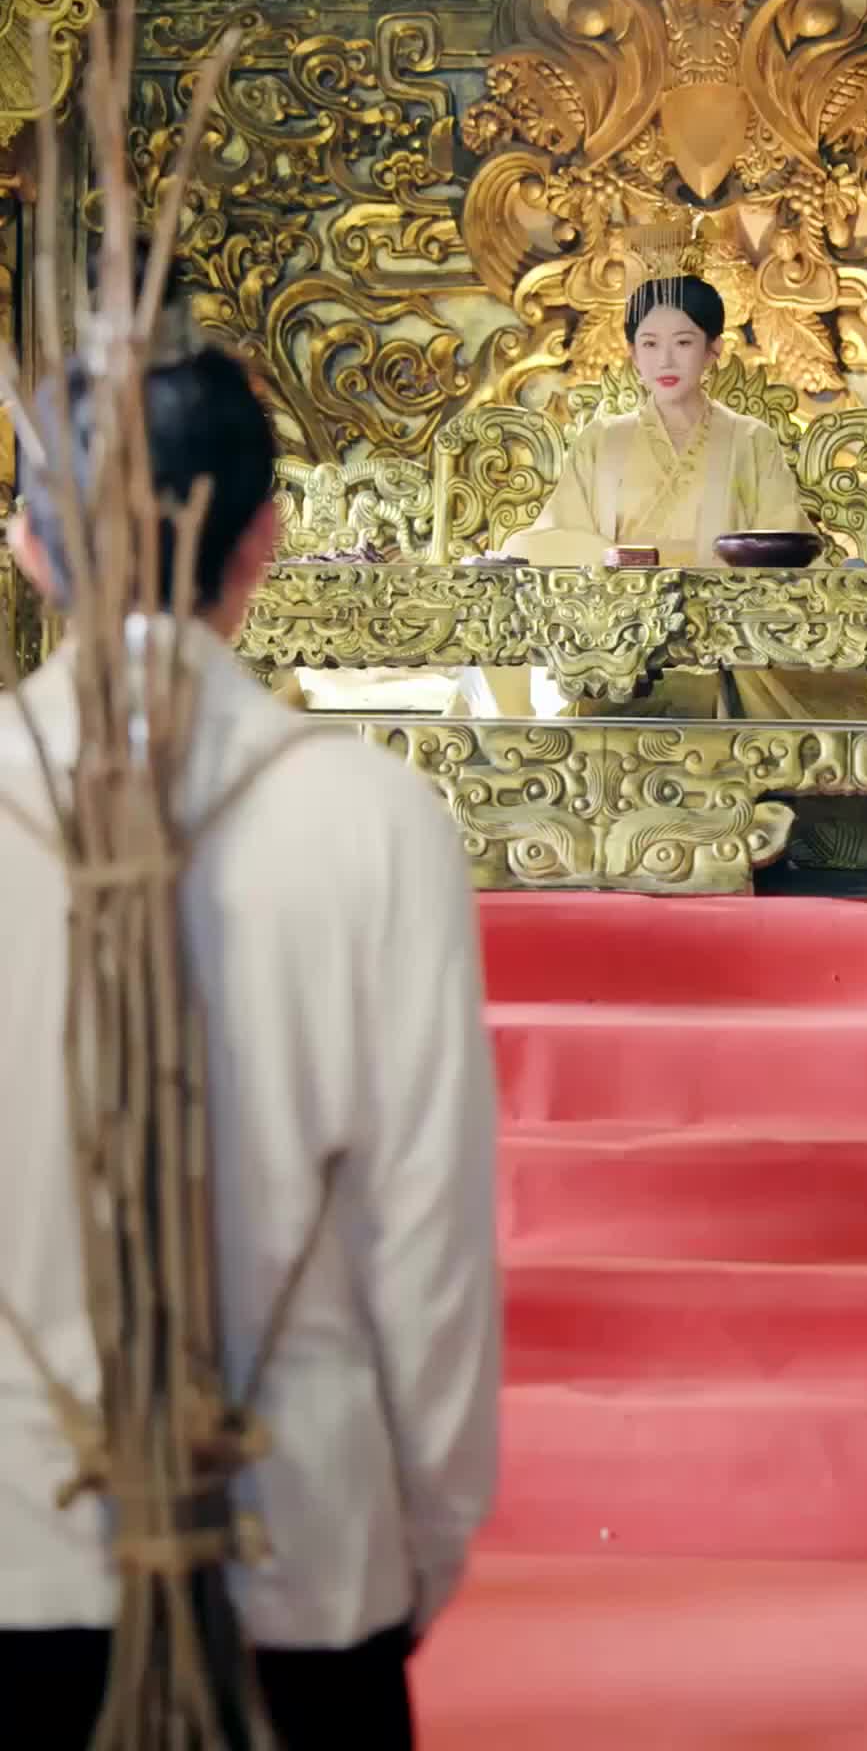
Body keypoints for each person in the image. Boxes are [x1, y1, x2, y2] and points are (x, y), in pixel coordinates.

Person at [0, 320, 499, 1746]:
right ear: (265, 541)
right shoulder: (376, 818)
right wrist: (419, 1535)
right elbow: (431, 1235)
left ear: (30, 547)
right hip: (302, 1538)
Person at [493, 274, 867, 875]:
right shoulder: (602, 440)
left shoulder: (748, 440)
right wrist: (615, 559)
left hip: (731, 643)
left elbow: (783, 542)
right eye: (650, 344)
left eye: (684, 342)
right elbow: (552, 534)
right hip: (622, 638)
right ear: (631, 352)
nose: (665, 360)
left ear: (714, 349)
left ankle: (769, 817)